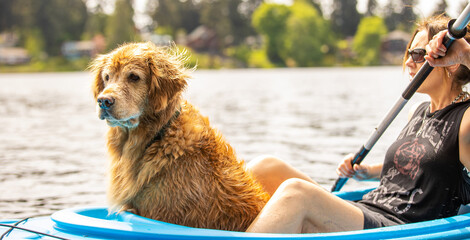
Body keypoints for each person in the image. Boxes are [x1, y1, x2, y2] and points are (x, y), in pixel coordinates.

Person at [245, 15, 470, 234]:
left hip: (398, 226)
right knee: (265, 167)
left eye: (419, 55)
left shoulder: (466, 120)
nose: (409, 61)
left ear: (449, 63)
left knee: (296, 193)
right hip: (370, 207)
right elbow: (423, 167)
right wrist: (366, 171)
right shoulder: (418, 112)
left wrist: (465, 53)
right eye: (409, 53)